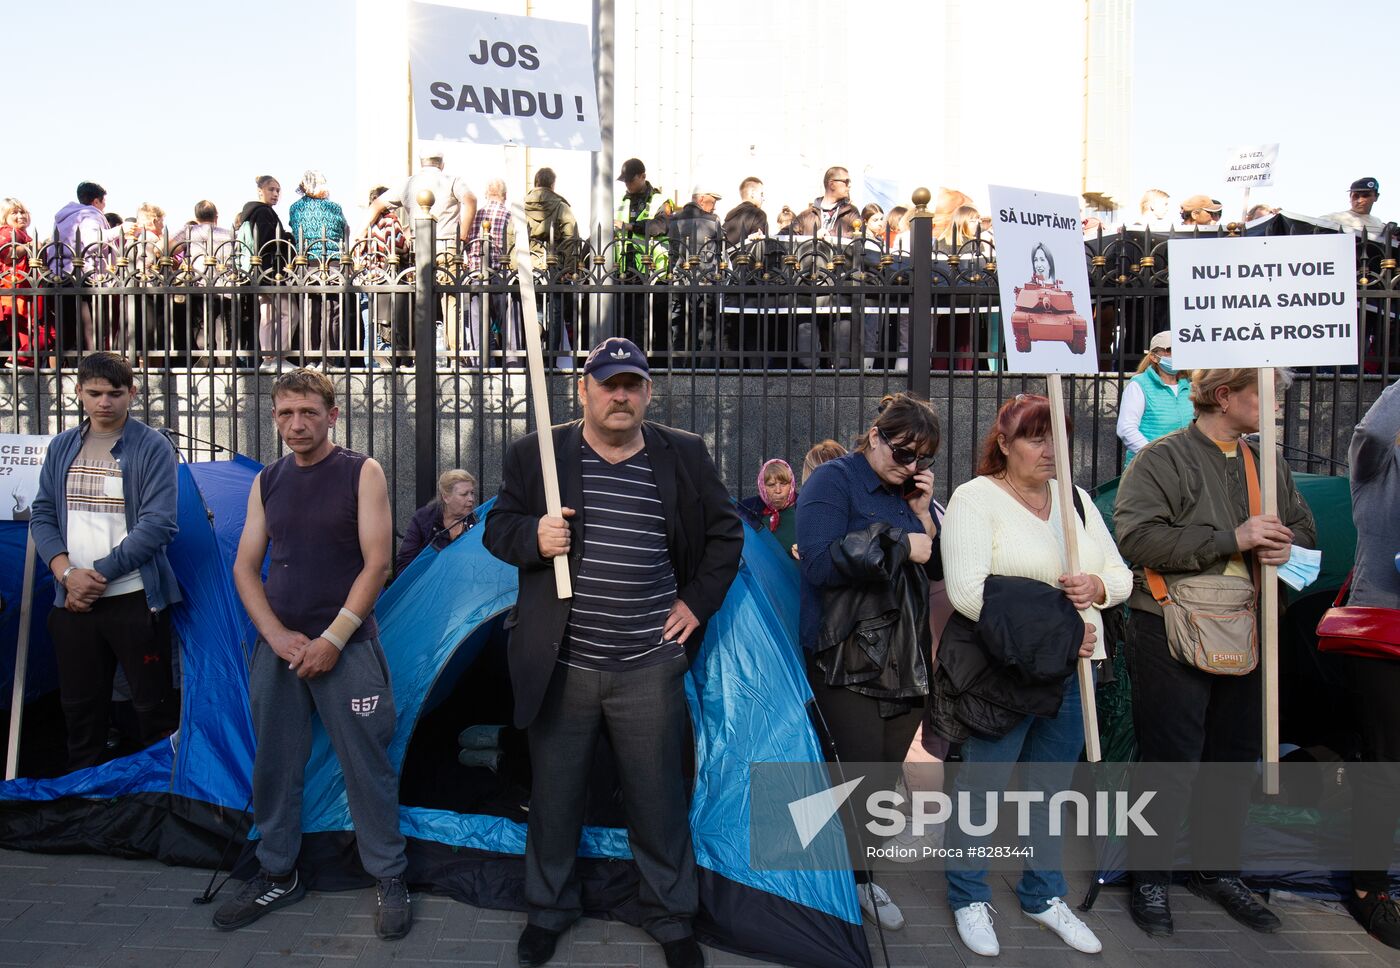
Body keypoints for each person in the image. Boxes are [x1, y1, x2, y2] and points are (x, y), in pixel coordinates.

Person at [482, 336, 741, 968]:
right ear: (584, 390)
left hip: (647, 666)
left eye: (632, 384)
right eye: (608, 384)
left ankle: (671, 914)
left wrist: (695, 604)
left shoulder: (683, 454)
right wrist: (534, 536)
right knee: (555, 797)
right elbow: (496, 529)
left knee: (657, 797)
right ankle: (548, 910)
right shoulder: (538, 455)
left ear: (648, 393)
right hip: (563, 663)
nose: (620, 395)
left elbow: (724, 534)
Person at [1114, 367, 1316, 940]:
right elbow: (1137, 539)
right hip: (1172, 624)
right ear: (1225, 396)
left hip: (1250, 626)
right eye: (1265, 393)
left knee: (1232, 759)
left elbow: (1303, 527)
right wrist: (1236, 538)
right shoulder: (1161, 457)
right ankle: (1148, 876)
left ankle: (1217, 871)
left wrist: (1286, 541)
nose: (1276, 404)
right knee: (1171, 760)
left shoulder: (1267, 460)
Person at [216, 368, 410, 939]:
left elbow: (378, 564)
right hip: (279, 648)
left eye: (307, 412)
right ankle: (277, 871)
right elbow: (245, 568)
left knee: (366, 764)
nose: (296, 424)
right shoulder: (268, 480)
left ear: (332, 415)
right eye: (285, 414)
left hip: (345, 648)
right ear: (274, 418)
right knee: (273, 764)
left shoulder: (361, 472)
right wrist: (276, 636)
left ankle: (390, 874)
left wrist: (332, 638)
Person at [939, 393, 1131, 957]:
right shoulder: (976, 499)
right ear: (1003, 444)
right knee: (984, 788)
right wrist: (1064, 629)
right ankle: (967, 894)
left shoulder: (1074, 500)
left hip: (1076, 675)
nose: (1051, 450)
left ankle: (1043, 893)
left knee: (1051, 789)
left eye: (1060, 438)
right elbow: (968, 593)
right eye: (1036, 437)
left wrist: (1097, 588)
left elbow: (1118, 575)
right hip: (1009, 673)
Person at [796, 392, 942, 933]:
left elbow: (938, 566)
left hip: (903, 658)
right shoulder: (834, 480)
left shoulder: (911, 494)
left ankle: (861, 876)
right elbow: (817, 561)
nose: (911, 467)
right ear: (875, 435)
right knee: (852, 779)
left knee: (882, 784)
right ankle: (837, 884)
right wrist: (904, 542)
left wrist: (925, 514)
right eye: (902, 453)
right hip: (847, 656)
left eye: (922, 460)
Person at [28, 352, 180, 771]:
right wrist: (66, 574)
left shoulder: (151, 446)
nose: (104, 403)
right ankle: (85, 801)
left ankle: (160, 798)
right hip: (73, 601)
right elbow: (42, 513)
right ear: (77, 393)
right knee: (79, 708)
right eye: (94, 393)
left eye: (115, 393)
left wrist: (95, 576)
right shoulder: (62, 446)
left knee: (152, 707)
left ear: (133, 393)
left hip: (135, 598)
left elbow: (159, 524)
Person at [1338, 376, 1400, 948]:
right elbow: (1373, 428)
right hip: (1385, 628)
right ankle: (1368, 889)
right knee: (1385, 765)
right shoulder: (1378, 464)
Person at [364, 152, 477, 354]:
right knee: (450, 301)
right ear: (442, 164)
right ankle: (454, 354)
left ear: (421, 163)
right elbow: (470, 199)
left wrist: (360, 233)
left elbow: (377, 204)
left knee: (420, 303)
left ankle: (420, 354)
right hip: (447, 247)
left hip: (419, 252)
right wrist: (464, 234)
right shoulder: (451, 181)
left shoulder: (408, 184)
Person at [235, 175, 295, 372]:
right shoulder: (263, 212)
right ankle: (280, 356)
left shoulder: (249, 213)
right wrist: (287, 237)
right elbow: (267, 241)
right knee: (289, 313)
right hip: (271, 270)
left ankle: (268, 359)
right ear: (260, 190)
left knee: (267, 314)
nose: (276, 194)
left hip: (256, 272)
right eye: (271, 189)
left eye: (278, 190)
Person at [288, 170, 349, 363]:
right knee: (332, 310)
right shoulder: (334, 207)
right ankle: (329, 358)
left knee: (309, 309)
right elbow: (344, 229)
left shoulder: (295, 208)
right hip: (333, 261)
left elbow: (293, 228)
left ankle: (310, 358)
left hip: (306, 261)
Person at [614, 158, 674, 350]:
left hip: (654, 272)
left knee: (655, 323)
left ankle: (658, 366)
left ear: (643, 176)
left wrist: (631, 226)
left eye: (631, 180)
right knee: (629, 324)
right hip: (627, 270)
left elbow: (661, 226)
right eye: (625, 181)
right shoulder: (624, 201)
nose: (628, 185)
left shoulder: (659, 200)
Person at [464, 178, 524, 367]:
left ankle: (480, 363)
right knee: (508, 324)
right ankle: (512, 363)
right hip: (501, 276)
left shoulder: (475, 216)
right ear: (504, 196)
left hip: (477, 276)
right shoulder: (510, 216)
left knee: (478, 324)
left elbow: (466, 242)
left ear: (486, 194)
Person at [524, 168, 581, 361]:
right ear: (552, 184)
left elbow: (511, 235)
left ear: (535, 182)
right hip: (552, 265)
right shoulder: (561, 207)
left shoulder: (521, 205)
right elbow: (571, 237)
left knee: (535, 310)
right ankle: (551, 357)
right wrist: (570, 268)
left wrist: (515, 264)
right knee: (555, 312)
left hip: (529, 264)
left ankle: (533, 351)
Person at [1116, 330, 1193, 467]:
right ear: (1154, 357)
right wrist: (1156, 457)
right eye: (1169, 350)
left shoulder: (1189, 386)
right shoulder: (1139, 385)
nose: (1175, 354)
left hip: (1184, 468)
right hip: (1148, 469)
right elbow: (1126, 428)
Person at [666, 185, 725, 360]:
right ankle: (704, 371)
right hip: (705, 282)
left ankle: (676, 368)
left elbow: (673, 252)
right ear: (700, 199)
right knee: (704, 330)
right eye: (712, 201)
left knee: (679, 329)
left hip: (680, 281)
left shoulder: (675, 219)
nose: (714, 206)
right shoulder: (713, 221)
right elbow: (720, 250)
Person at [395, 468, 478, 575]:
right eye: (464, 494)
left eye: (472, 493)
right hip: (427, 586)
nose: (471, 499)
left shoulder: (476, 521)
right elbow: (404, 564)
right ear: (446, 497)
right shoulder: (423, 519)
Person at [0, 197, 49, 367]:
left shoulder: (22, 234)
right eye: (14, 212)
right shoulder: (8, 232)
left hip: (24, 290)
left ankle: (23, 361)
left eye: (23, 212)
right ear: (5, 216)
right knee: (43, 330)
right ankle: (21, 360)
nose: (21, 215)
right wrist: (32, 245)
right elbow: (6, 255)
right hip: (17, 290)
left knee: (32, 331)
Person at [738, 458, 798, 561]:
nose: (778, 490)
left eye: (783, 484)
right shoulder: (747, 510)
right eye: (771, 485)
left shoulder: (804, 510)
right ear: (762, 486)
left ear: (791, 484)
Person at [790, 166, 860, 239]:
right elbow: (786, 235)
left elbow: (857, 236)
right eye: (846, 181)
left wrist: (829, 235)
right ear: (832, 185)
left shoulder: (851, 212)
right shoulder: (807, 215)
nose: (849, 185)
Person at [1323, 176, 1388, 235]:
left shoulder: (1380, 225)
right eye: (1356, 196)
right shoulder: (1333, 218)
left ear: (1376, 197)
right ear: (1350, 196)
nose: (1359, 201)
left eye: (1365, 196)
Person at [722, 176, 768, 247]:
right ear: (752, 193)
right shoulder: (758, 214)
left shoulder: (729, 218)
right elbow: (758, 249)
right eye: (761, 194)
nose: (763, 198)